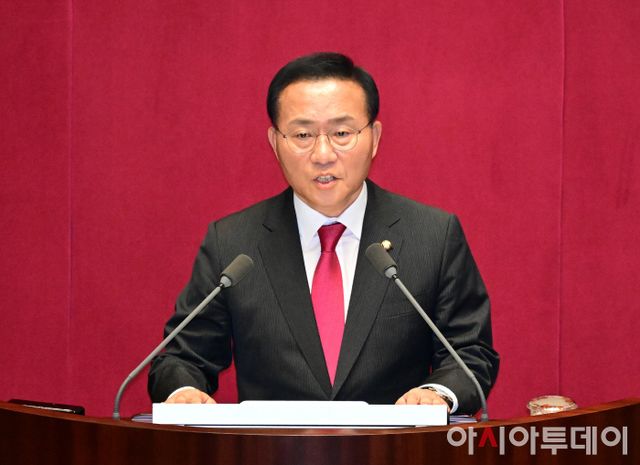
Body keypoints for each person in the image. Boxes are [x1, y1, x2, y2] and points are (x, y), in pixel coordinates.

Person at [148, 52, 499, 414]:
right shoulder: (233, 242)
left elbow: (469, 352)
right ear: (275, 142)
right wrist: (183, 391)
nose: (323, 154)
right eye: (302, 135)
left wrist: (437, 393)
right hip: (270, 444)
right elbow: (183, 357)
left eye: (342, 133)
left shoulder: (432, 236)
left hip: (395, 442)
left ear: (374, 138)